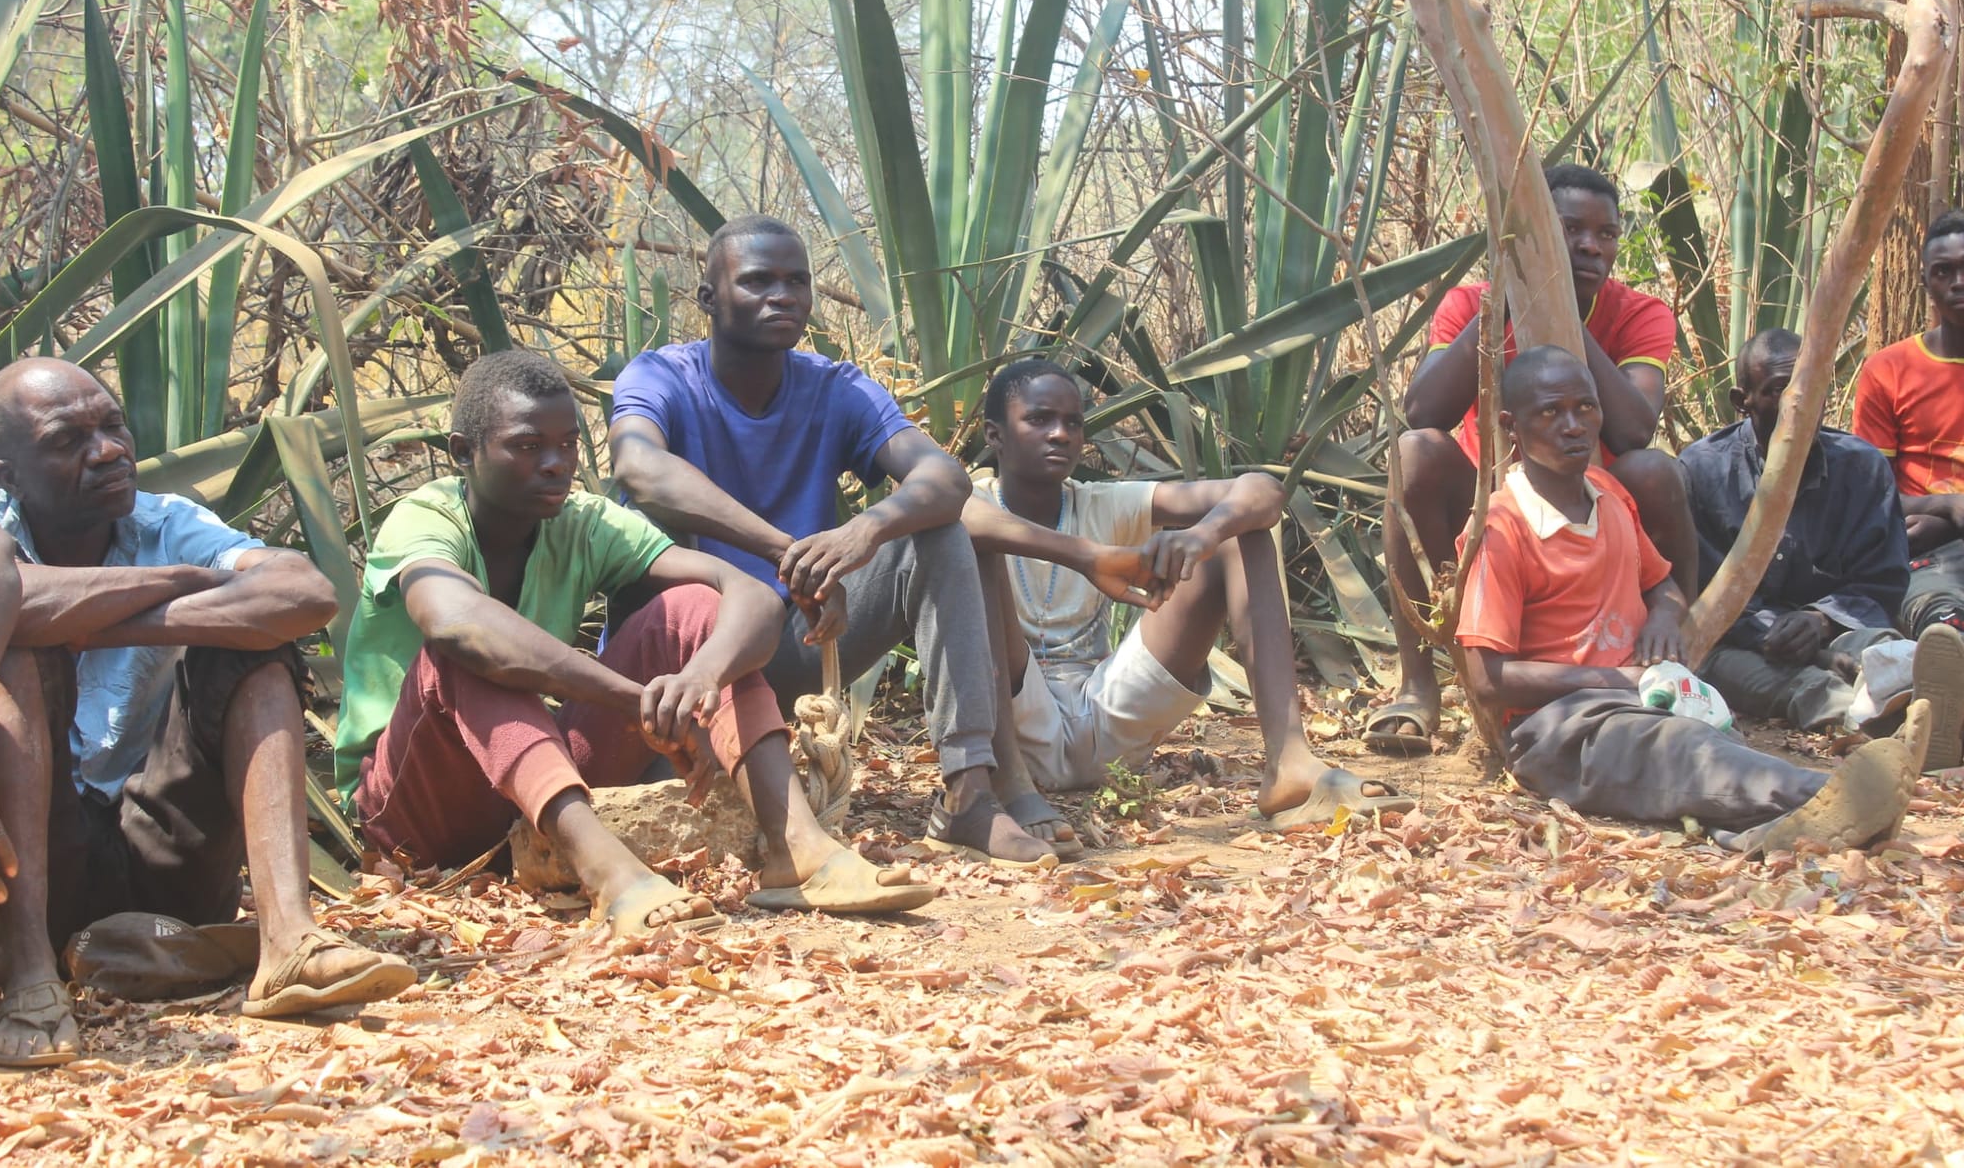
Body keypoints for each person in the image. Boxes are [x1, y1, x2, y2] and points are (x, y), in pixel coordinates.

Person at [336, 350, 933, 933]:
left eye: (568, 444)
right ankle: (611, 876)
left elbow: (746, 594)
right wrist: (633, 700)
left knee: (693, 608)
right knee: (470, 650)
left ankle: (798, 849)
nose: (555, 463)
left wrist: (697, 682)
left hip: (530, 792)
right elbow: (457, 622)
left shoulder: (582, 521)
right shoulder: (427, 517)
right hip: (416, 812)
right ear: (464, 453)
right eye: (526, 446)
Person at [0, 358, 413, 1066]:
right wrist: (181, 583)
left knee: (253, 650)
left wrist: (112, 616)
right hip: (17, 862)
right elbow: (7, 599)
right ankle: (28, 971)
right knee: (11, 654)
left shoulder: (164, 519)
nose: (109, 449)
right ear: (9, 474)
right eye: (67, 439)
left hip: (156, 846)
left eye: (113, 424)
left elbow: (303, 593)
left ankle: (289, 941)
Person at [610, 216, 1058, 868]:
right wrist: (784, 552)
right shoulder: (660, 377)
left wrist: (865, 528)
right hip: (684, 659)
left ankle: (969, 795)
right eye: (758, 280)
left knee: (940, 534)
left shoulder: (834, 386)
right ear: (708, 298)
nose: (783, 295)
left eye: (798, 281)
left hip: (795, 638)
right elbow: (639, 468)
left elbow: (945, 476)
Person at [1456, 345, 1947, 850]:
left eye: (1585, 407)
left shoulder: (1606, 492)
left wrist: (1665, 616)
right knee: (1688, 751)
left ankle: (1779, 832)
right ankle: (1843, 795)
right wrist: (1621, 679)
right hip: (1561, 727)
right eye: (1550, 412)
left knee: (1713, 748)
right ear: (1511, 426)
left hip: (1649, 699)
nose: (1574, 425)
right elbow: (1487, 679)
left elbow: (1659, 580)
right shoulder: (1501, 527)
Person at [962, 358, 1411, 830]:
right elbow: (958, 517)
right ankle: (1008, 788)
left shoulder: (1099, 502)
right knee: (973, 548)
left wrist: (1203, 535)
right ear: (995, 435)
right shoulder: (973, 499)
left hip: (1104, 715)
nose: (1061, 434)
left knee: (1241, 533)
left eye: (1073, 423)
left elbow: (1263, 491)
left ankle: (1290, 762)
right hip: (1010, 725)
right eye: (1039, 419)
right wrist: (1088, 555)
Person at [1373, 164, 1698, 756]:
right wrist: (1511, 295)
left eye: (1606, 234)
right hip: (1494, 514)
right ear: (1533, 233)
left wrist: (1566, 316)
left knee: (1656, 472)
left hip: (1589, 512)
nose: (1589, 246)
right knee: (1413, 455)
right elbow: (1422, 410)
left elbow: (1634, 429)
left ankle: (1675, 655)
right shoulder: (1468, 304)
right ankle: (1418, 688)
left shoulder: (1639, 314)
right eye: (1570, 229)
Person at [1682, 329, 1909, 735]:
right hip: (1736, 645)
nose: (1798, 403)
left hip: (1838, 632)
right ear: (1742, 402)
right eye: (1778, 391)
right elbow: (1694, 596)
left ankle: (1923, 701)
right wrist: (1791, 643)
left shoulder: (1862, 469)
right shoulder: (1701, 472)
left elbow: (1883, 580)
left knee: (1883, 653)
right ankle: (1876, 725)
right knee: (1811, 688)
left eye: (1811, 387)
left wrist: (1821, 621)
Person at [1853, 207, 1964, 769]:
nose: (1958, 282)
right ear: (1925, 281)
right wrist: (1949, 506)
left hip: (1932, 525)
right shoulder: (1890, 370)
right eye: (1944, 270)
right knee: (1936, 607)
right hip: (1923, 541)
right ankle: (1946, 686)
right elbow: (1868, 489)